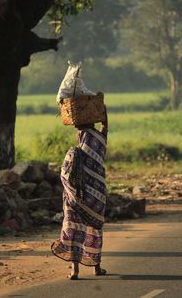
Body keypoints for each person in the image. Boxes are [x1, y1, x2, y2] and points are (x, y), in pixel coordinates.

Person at [51, 106, 108, 280]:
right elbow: (105, 127)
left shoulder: (73, 154)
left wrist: (71, 193)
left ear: (79, 134)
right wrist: (102, 111)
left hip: (76, 197)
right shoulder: (101, 142)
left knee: (74, 229)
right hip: (97, 196)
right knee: (95, 229)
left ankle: (74, 269)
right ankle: (96, 267)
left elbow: (64, 175)